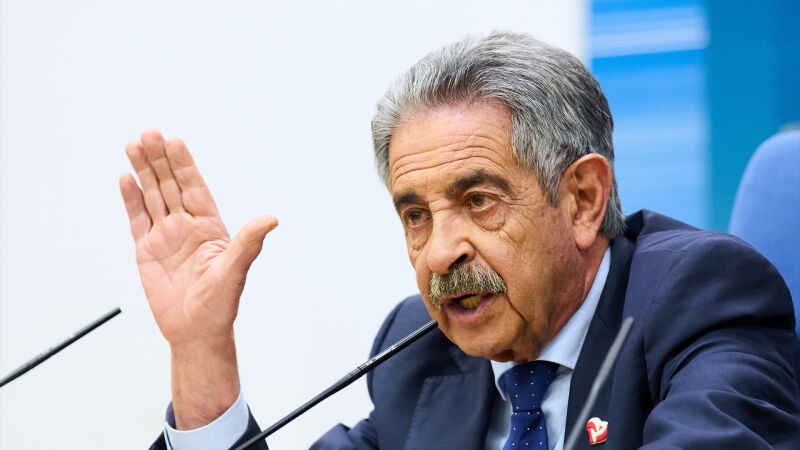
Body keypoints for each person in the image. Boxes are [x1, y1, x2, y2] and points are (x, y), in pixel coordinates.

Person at [120, 32, 800, 450]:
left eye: (478, 201)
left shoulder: (699, 299)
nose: (441, 252)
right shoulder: (420, 352)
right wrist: (201, 350)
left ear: (583, 199)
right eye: (416, 216)